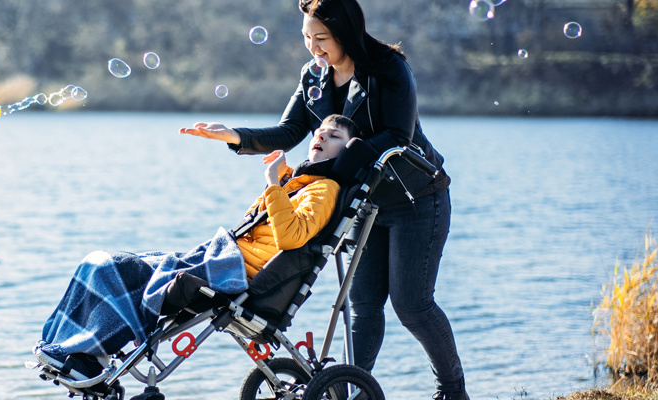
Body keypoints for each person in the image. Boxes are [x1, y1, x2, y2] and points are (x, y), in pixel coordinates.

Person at [178, 1, 468, 399]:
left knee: (412, 305)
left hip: (415, 197)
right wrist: (235, 136)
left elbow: (398, 136)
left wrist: (336, 168)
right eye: (306, 38)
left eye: (321, 38)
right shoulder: (314, 74)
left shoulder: (388, 69)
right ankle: (350, 392)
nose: (313, 47)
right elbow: (292, 129)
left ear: (346, 33)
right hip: (363, 205)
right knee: (363, 306)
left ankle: (452, 391)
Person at [33, 115, 358, 380]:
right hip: (218, 255)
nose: (322, 135)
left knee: (124, 272)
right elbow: (253, 225)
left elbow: (289, 237)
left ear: (344, 152)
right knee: (104, 264)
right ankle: (70, 349)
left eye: (334, 136)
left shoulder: (324, 189)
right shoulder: (296, 184)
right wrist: (279, 181)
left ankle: (88, 355)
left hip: (234, 271)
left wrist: (273, 182)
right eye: (320, 130)